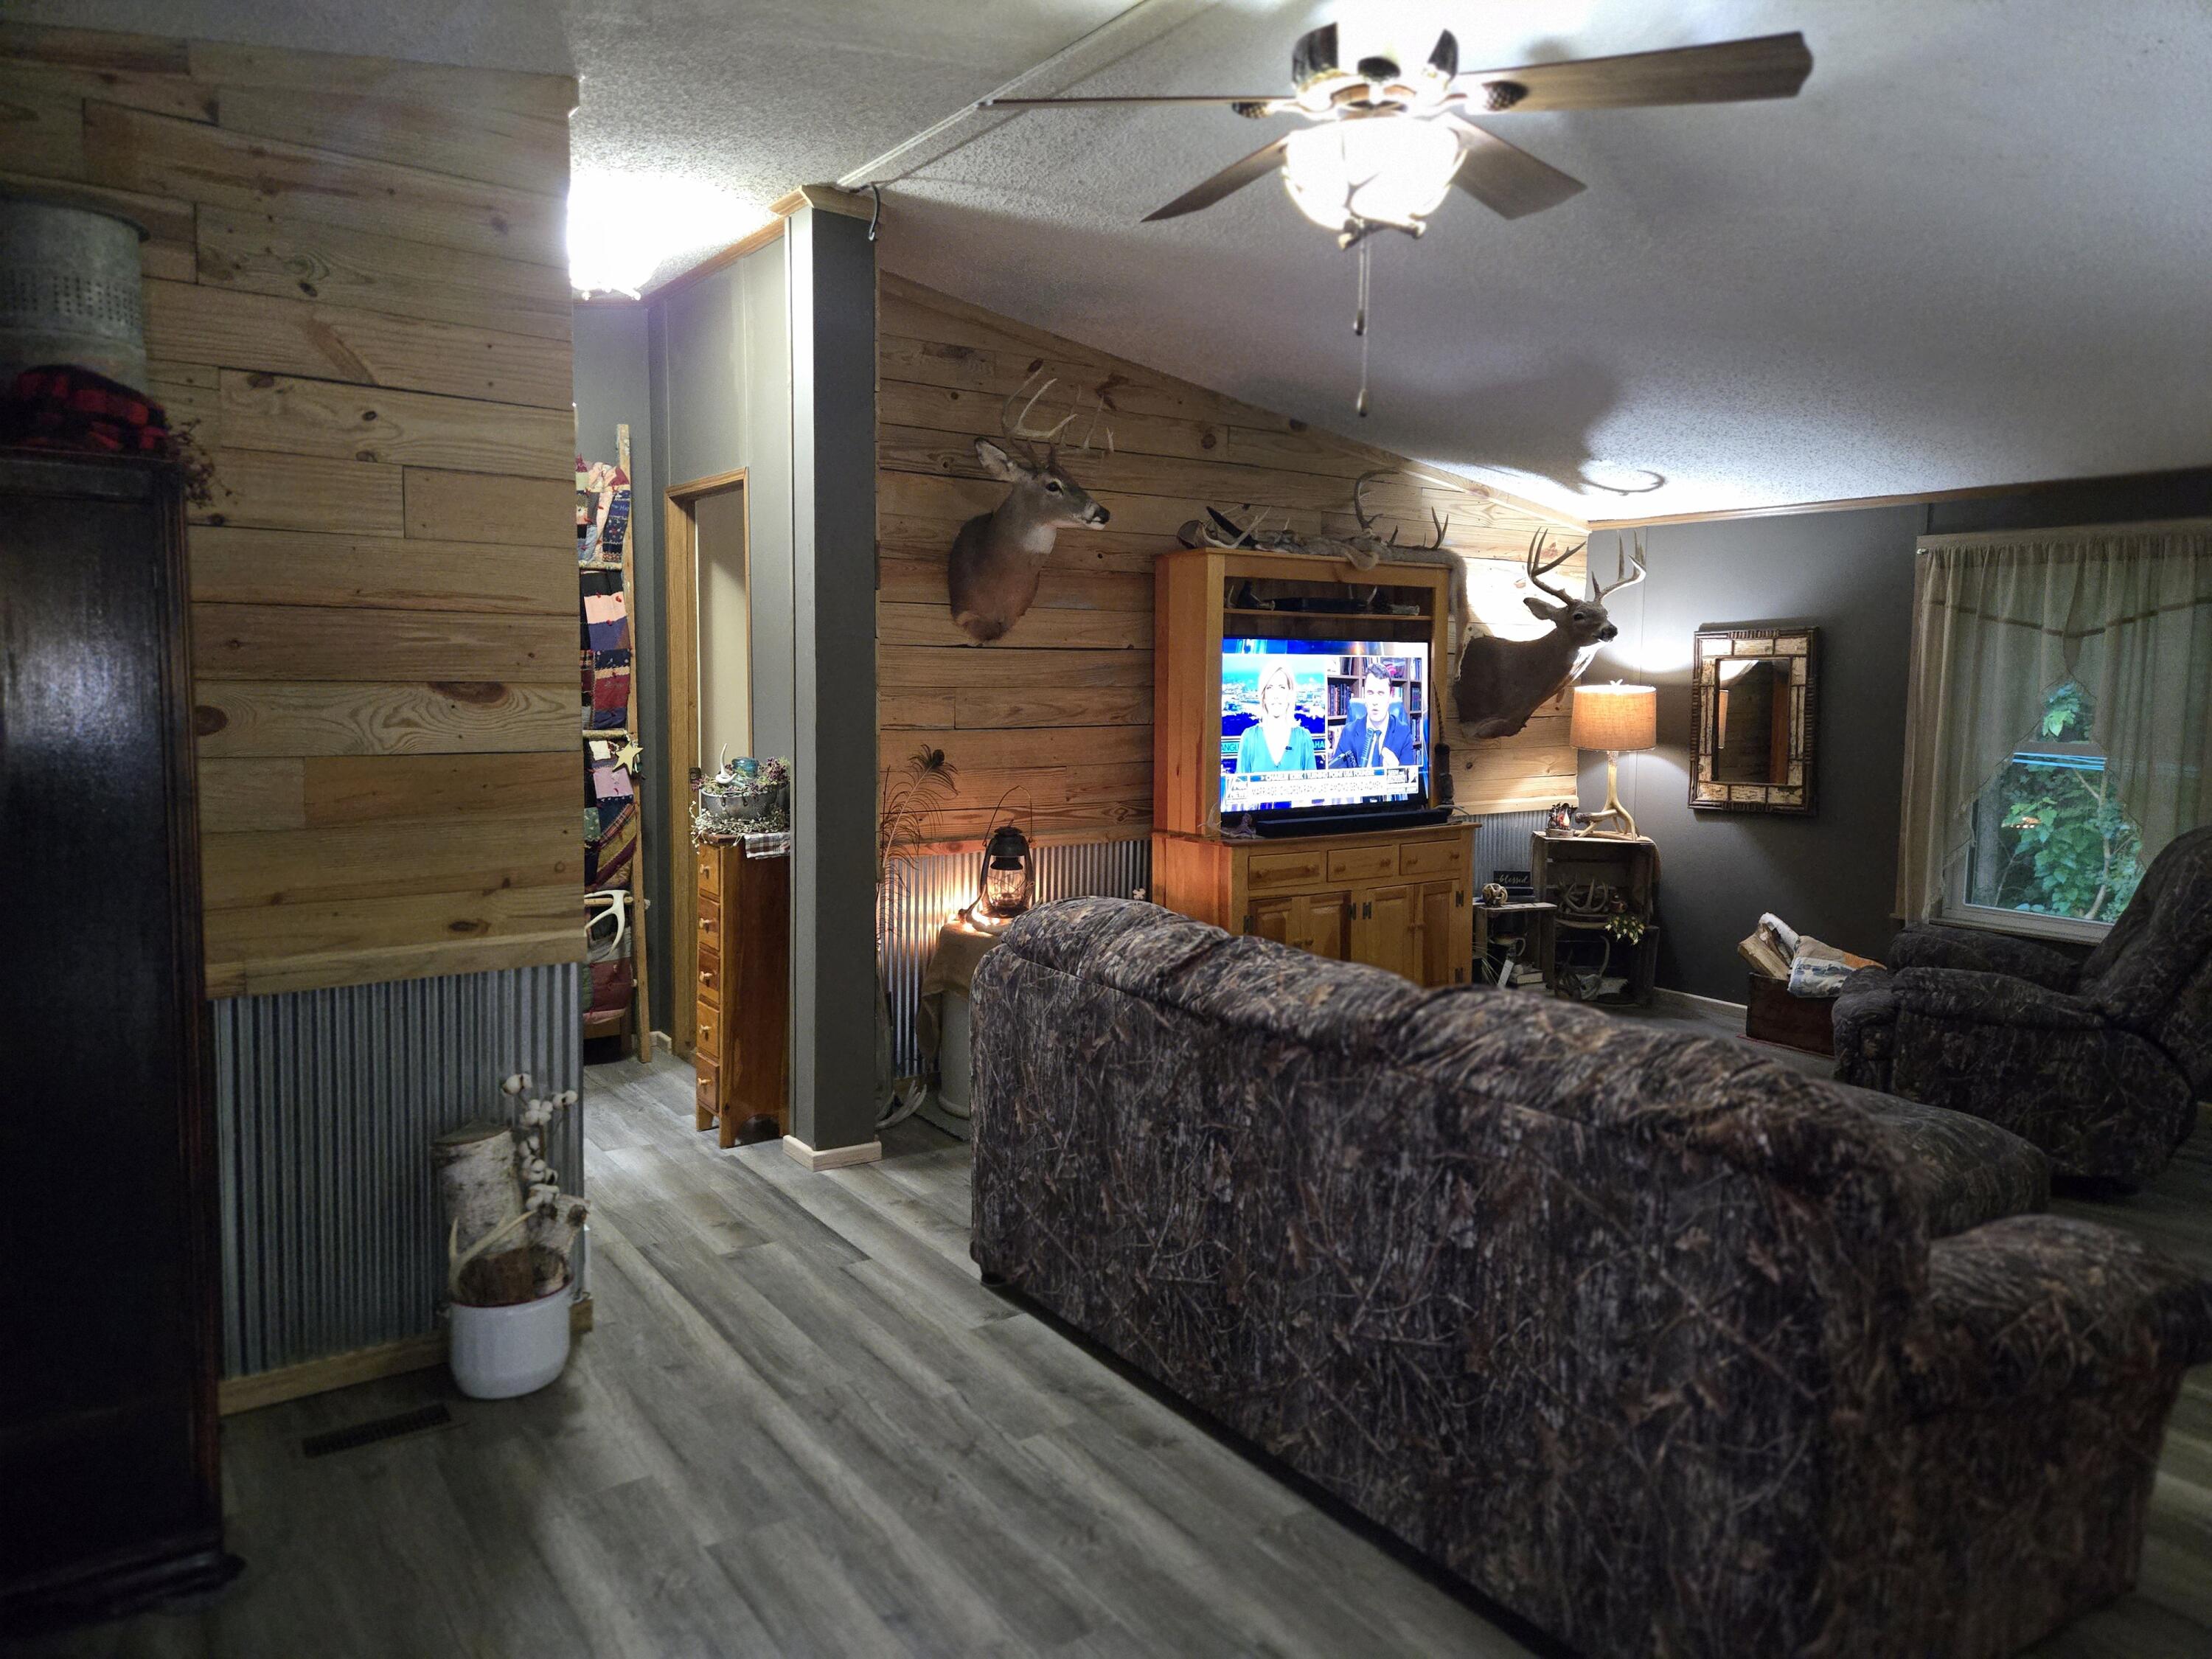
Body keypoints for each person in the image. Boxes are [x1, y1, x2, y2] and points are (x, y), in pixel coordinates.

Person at [1328, 662, 1418, 770]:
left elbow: (1410, 782)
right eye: (1370, 693)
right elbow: (1338, 777)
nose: (1375, 701)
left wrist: (1397, 771)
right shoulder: (1349, 732)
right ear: (1365, 695)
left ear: (1390, 696)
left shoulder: (1403, 732)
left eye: (1381, 693)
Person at [1233, 659, 1318, 774]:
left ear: (1290, 695)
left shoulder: (1304, 738)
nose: (1276, 695)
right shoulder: (1249, 738)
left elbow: (1312, 788)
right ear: (1264, 697)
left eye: (1282, 687)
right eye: (1270, 687)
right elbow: (1240, 787)